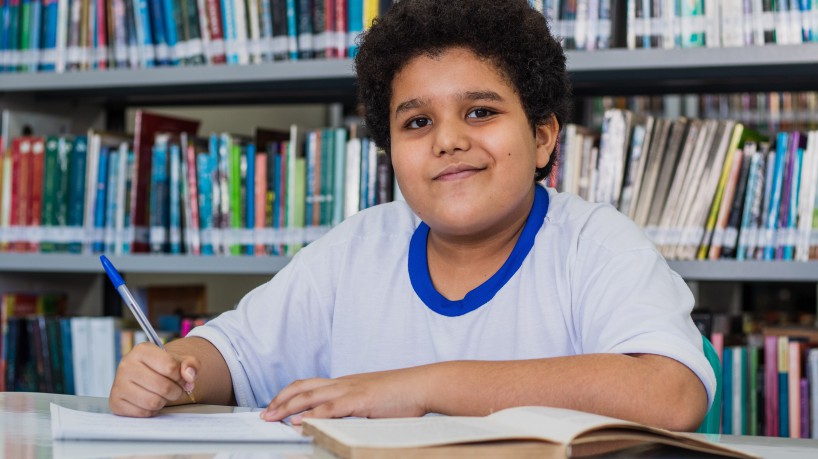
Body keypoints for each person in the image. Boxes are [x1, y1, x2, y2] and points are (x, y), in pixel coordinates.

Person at [110, 0, 714, 431]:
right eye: (417, 122)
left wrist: (420, 386)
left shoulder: (595, 245)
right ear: (390, 149)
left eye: (480, 112)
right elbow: (233, 359)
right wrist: (175, 371)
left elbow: (670, 395)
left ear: (544, 136)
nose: (447, 141)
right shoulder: (354, 250)